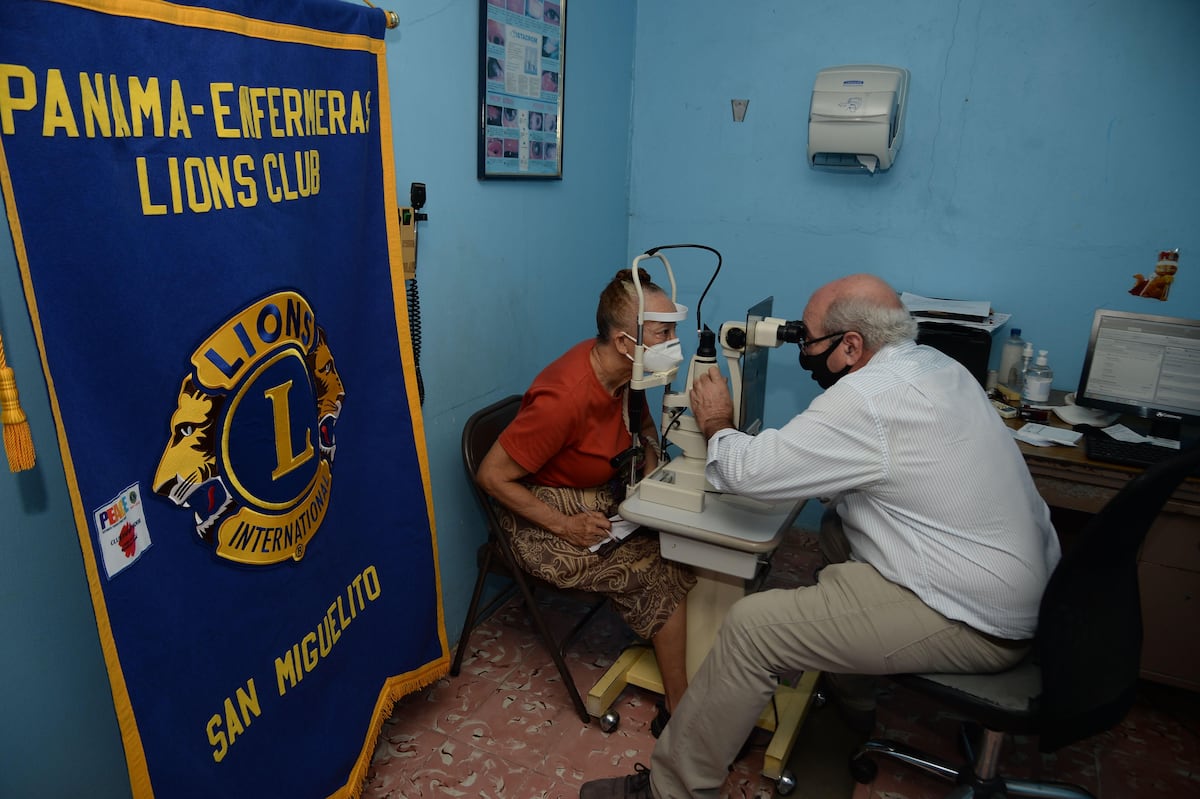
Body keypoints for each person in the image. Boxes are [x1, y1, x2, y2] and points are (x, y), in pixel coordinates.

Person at [579, 273, 1061, 799]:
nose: (804, 350)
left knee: (752, 628)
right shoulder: (938, 366)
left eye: (808, 340)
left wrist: (717, 421)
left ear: (851, 345)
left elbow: (746, 475)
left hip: (976, 616)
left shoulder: (868, 399)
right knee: (837, 528)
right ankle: (852, 698)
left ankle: (672, 792)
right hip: (1017, 579)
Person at [476, 268, 696, 728]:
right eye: (664, 332)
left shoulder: (629, 373)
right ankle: (682, 711)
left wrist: (652, 460)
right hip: (542, 510)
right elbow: (493, 477)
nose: (674, 342)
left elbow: (645, 426)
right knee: (658, 567)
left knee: (686, 540)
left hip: (599, 492)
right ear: (623, 341)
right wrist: (564, 525)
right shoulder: (566, 397)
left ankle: (682, 661)